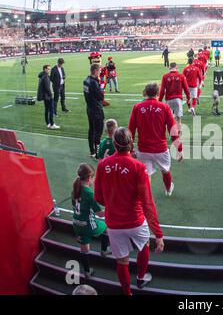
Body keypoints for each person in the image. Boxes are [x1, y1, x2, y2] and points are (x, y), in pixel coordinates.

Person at [94, 128, 164, 295]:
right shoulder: (139, 167)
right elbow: (147, 202)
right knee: (144, 245)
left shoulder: (102, 165)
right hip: (136, 221)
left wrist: (113, 204)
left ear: (115, 144)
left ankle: (127, 293)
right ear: (131, 143)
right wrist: (158, 234)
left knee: (122, 261)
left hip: (113, 223)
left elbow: (98, 197)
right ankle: (140, 278)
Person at [129, 83, 184, 196]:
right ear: (158, 93)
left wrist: (130, 150)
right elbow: (173, 130)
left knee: (146, 174)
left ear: (145, 92)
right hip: (160, 149)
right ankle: (168, 189)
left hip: (143, 149)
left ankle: (146, 197)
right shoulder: (164, 107)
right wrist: (179, 149)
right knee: (165, 171)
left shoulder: (137, 107)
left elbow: (131, 130)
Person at [72, 163, 110, 278]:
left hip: (76, 224)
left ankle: (87, 272)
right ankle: (104, 251)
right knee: (106, 227)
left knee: (85, 248)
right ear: (89, 178)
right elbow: (100, 214)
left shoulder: (74, 190)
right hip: (88, 225)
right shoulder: (89, 193)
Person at [158, 62, 190, 134]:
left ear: (169, 67)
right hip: (178, 100)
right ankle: (178, 134)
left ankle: (171, 133)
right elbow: (186, 89)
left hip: (168, 100)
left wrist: (159, 101)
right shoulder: (181, 76)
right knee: (178, 118)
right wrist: (188, 98)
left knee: (168, 118)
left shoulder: (165, 76)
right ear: (177, 67)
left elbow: (162, 90)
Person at [83, 63, 105, 158]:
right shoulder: (93, 82)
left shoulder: (86, 80)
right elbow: (100, 97)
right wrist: (100, 85)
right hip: (96, 109)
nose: (100, 72)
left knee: (91, 130)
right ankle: (97, 154)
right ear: (95, 71)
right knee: (98, 132)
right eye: (99, 71)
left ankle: (92, 151)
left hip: (89, 108)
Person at [37, 65, 60, 130]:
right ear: (45, 69)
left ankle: (48, 123)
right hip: (48, 96)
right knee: (51, 110)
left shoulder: (42, 75)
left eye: (49, 69)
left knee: (47, 110)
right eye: (48, 69)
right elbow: (47, 88)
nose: (49, 70)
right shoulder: (46, 76)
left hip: (45, 96)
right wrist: (51, 95)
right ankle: (52, 124)